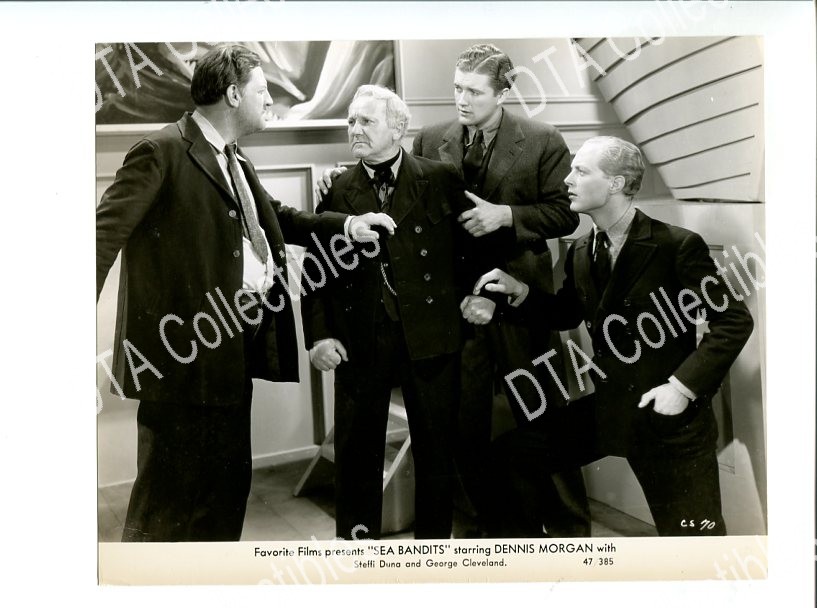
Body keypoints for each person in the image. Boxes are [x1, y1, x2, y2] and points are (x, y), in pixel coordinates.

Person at [96, 45, 395, 542]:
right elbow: (101, 238)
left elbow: (279, 218)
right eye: (263, 90)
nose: (271, 100)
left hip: (232, 353)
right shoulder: (160, 151)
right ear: (234, 95)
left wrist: (348, 224)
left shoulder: (233, 157)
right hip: (182, 363)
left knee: (224, 495)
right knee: (166, 507)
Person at [473, 136, 754, 536]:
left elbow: (733, 321)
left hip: (668, 423)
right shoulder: (581, 250)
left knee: (695, 542)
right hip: (610, 411)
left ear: (616, 184)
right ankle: (539, 563)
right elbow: (566, 312)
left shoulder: (675, 246)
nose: (567, 180)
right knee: (509, 457)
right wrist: (518, 291)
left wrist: (682, 387)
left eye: (580, 171)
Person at [302, 84, 495, 540]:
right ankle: (359, 555)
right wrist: (319, 336)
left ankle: (433, 555)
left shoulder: (441, 178)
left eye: (366, 121)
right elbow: (315, 269)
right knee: (355, 456)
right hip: (359, 341)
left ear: (398, 128)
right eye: (351, 121)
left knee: (436, 453)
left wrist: (482, 295)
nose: (355, 129)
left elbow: (472, 249)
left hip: (431, 337)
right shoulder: (337, 188)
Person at [410, 43, 588, 537]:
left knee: (543, 418)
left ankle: (571, 535)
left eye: (474, 91)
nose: (462, 100)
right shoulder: (430, 139)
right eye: (457, 88)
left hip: (523, 303)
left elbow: (566, 214)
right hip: (461, 307)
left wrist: (506, 216)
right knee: (467, 427)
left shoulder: (542, 139)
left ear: (504, 92)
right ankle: (496, 533)